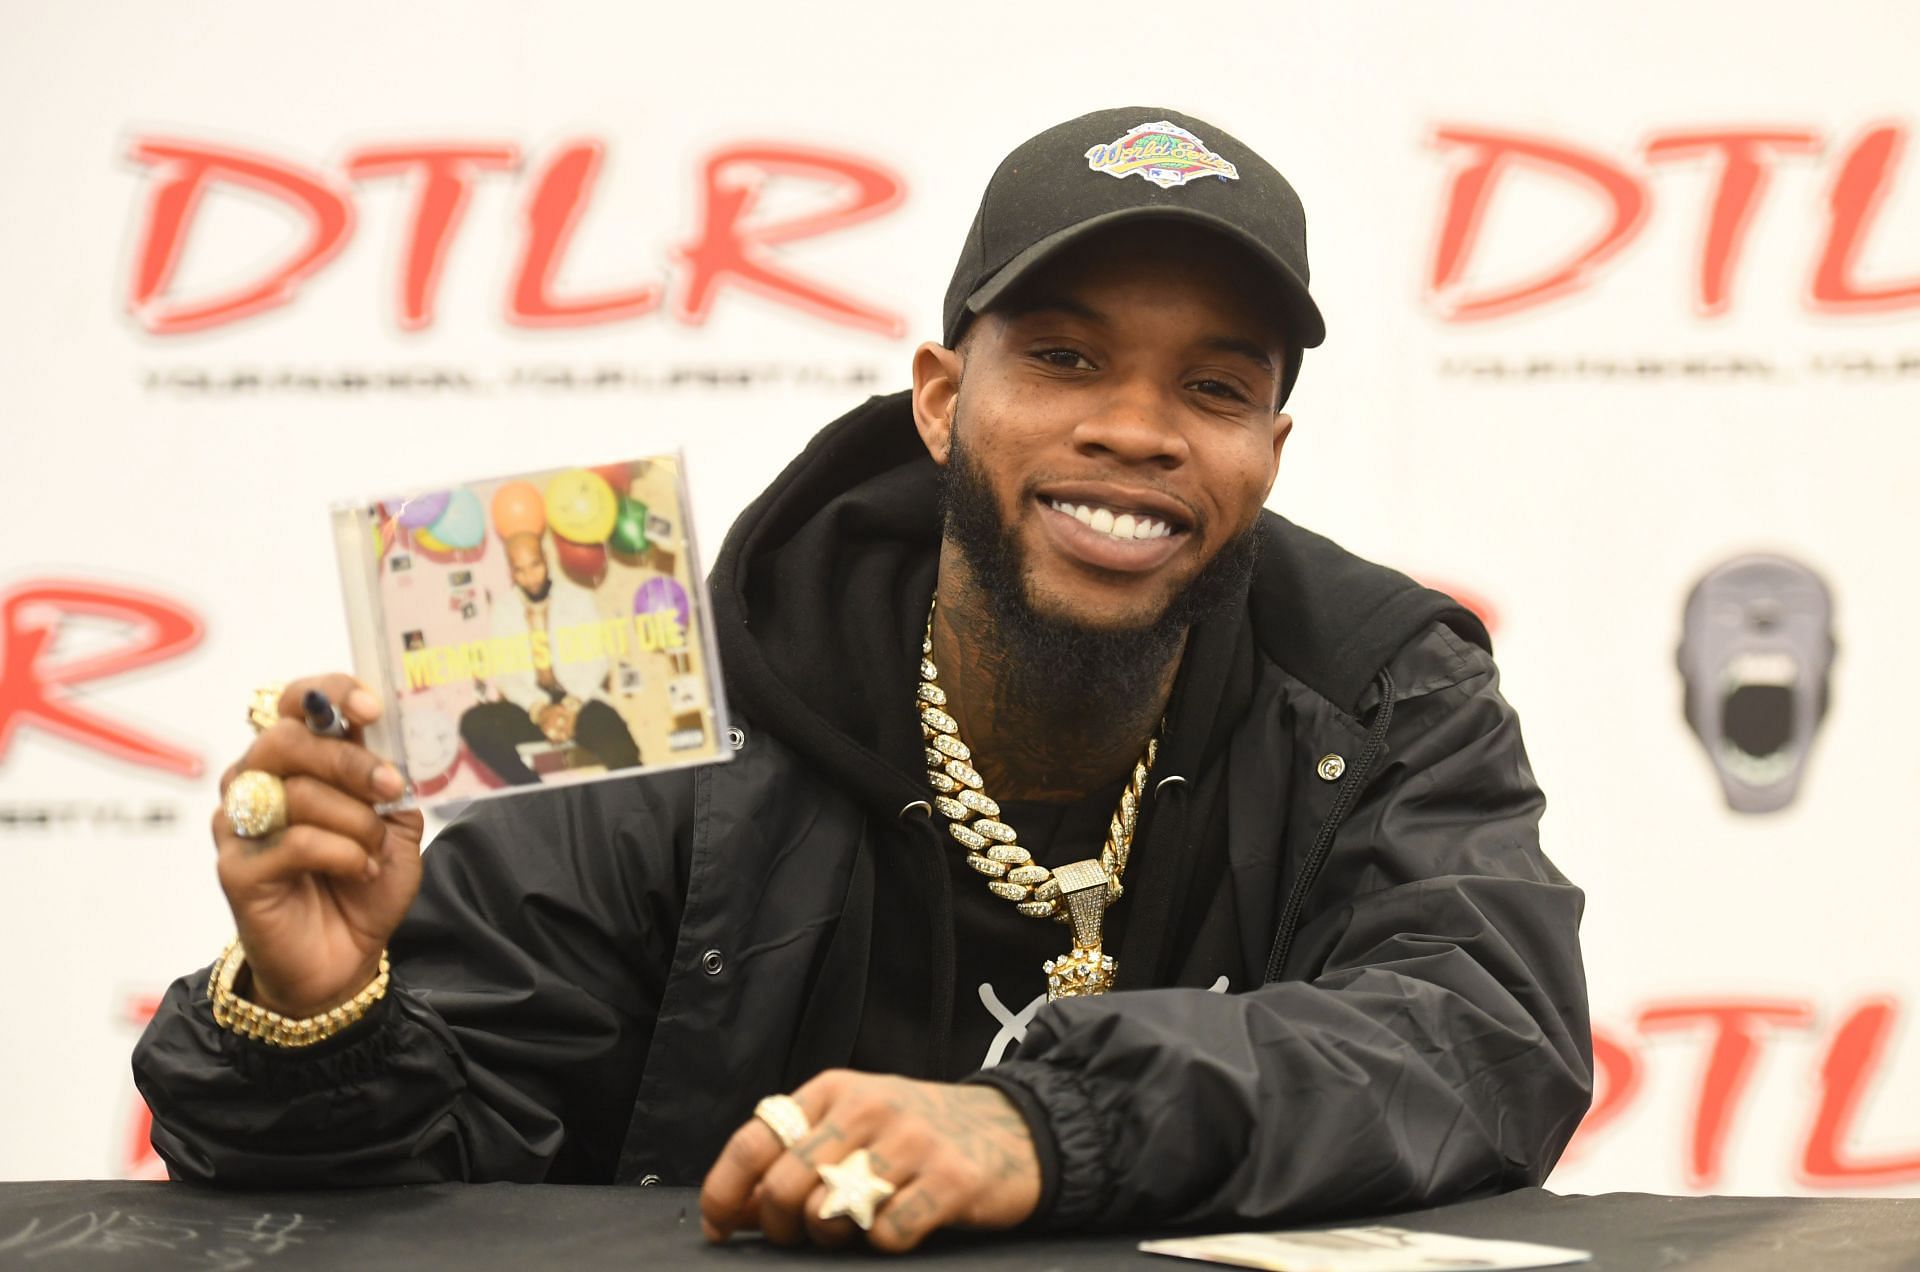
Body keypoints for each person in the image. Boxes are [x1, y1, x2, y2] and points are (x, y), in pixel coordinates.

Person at [134, 108, 1591, 1254]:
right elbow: (413, 1186)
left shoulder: (1385, 688)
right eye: (1068, 358)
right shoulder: (670, 694)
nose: (1139, 430)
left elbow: (1481, 1039)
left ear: (1272, 450)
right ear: (945, 402)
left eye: (1215, 388)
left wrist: (1043, 1127)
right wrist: (313, 1016)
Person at [456, 531, 641, 782]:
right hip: (530, 705)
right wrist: (540, 710)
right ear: (511, 571)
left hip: (580, 699)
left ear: (546, 559)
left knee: (622, 747)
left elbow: (598, 662)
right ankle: (534, 792)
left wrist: (569, 706)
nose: (530, 577)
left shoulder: (578, 599)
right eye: (520, 570)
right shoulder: (503, 610)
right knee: (474, 723)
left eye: (535, 565)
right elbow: (506, 675)